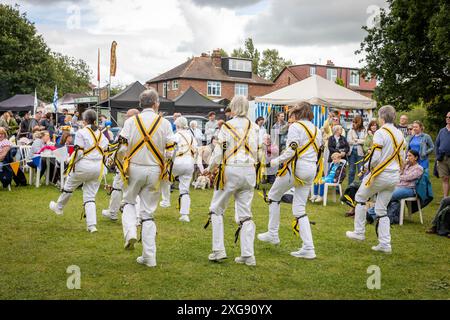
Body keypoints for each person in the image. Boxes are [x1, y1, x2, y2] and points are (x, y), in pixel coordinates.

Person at [117, 89, 175, 267]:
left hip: (134, 167)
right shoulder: (164, 123)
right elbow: (171, 151)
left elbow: (120, 148)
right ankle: (149, 257)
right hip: (155, 171)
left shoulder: (131, 121)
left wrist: (122, 166)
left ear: (140, 104)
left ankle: (131, 232)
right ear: (156, 103)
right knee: (148, 213)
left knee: (128, 202)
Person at [204, 96, 260, 266]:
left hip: (231, 169)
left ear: (234, 108)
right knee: (245, 213)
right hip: (249, 169)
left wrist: (211, 167)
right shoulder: (255, 127)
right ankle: (248, 255)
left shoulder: (227, 126)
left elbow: (219, 151)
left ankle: (219, 250)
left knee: (216, 209)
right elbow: (258, 152)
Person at [264, 102, 322, 259]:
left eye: (293, 113)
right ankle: (308, 248)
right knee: (299, 209)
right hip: (311, 170)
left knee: (273, 196)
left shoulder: (296, 127)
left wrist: (274, 162)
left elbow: (291, 150)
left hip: (295, 168)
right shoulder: (317, 129)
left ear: (297, 113)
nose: (291, 116)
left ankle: (273, 233)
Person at [346, 105, 406, 254]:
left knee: (360, 197)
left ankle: (359, 232)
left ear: (382, 118)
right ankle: (385, 244)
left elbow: (376, 157)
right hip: (394, 176)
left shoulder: (380, 133)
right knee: (381, 209)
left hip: (381, 174)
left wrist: (365, 167)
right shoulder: (400, 134)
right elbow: (403, 157)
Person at [49, 109, 109, 233]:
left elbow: (79, 152)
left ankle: (59, 207)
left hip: (83, 165)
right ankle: (92, 226)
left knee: (68, 187)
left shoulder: (81, 132)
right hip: (98, 167)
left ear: (85, 120)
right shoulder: (101, 134)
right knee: (90, 196)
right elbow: (106, 152)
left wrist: (70, 161)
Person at [102, 109, 140, 222]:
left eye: (127, 116)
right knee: (135, 189)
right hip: (140, 163)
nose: (125, 118)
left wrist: (115, 158)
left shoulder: (128, 129)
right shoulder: (144, 129)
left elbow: (122, 148)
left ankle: (114, 212)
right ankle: (130, 212)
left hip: (125, 163)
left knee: (117, 188)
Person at [160, 116, 197, 222]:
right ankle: (185, 215)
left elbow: (170, 151)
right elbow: (195, 151)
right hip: (189, 164)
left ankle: (166, 200)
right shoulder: (192, 137)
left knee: (165, 179)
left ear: (178, 125)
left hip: (177, 162)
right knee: (185, 189)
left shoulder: (176, 136)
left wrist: (165, 158)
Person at [347, 115, 367, 184]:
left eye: (356, 122)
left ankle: (361, 188)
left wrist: (356, 140)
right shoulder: (351, 130)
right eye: (354, 122)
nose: (354, 124)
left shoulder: (364, 130)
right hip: (352, 152)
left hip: (360, 153)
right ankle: (350, 187)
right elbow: (349, 141)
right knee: (351, 171)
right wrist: (359, 141)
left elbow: (365, 141)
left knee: (360, 171)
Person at [435, 112, 450, 198]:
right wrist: (437, 156)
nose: (448, 118)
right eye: (446, 117)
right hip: (442, 158)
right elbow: (437, 144)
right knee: (445, 178)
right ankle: (445, 199)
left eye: (449, 117)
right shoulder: (442, 131)